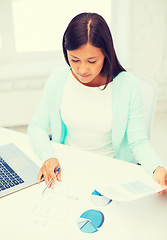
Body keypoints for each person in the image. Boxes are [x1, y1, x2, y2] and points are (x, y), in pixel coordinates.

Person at [28, 12, 167, 193]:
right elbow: (37, 126)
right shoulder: (58, 79)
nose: (82, 69)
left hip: (111, 172)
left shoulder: (127, 85)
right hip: (67, 169)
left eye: (92, 61)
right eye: (74, 60)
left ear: (106, 55)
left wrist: (157, 168)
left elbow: (138, 141)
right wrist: (48, 157)